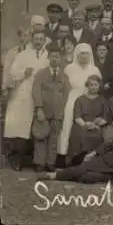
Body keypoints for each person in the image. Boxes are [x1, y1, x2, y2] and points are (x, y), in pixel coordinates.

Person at [4, 31, 49, 171]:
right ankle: (16, 159)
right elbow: (12, 73)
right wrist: (24, 73)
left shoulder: (47, 56)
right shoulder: (23, 55)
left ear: (44, 41)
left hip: (40, 95)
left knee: (37, 128)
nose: (38, 42)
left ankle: (37, 160)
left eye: (41, 39)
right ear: (32, 39)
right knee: (20, 128)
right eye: (36, 39)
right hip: (23, 94)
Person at [58, 43, 102, 165]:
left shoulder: (94, 69)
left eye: (87, 53)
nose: (84, 56)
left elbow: (97, 86)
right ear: (77, 54)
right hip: (71, 98)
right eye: (81, 53)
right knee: (67, 125)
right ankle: (62, 155)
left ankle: (83, 156)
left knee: (85, 127)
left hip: (88, 99)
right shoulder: (69, 68)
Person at [31, 43, 71, 172]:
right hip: (43, 110)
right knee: (41, 137)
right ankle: (40, 163)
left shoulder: (64, 77)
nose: (55, 59)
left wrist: (62, 110)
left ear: (61, 59)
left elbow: (66, 94)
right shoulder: (41, 74)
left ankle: (50, 162)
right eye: (52, 56)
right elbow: (36, 91)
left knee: (54, 138)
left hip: (57, 112)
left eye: (57, 57)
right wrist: (39, 108)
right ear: (48, 58)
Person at [66, 75, 109, 166]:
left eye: (95, 85)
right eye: (91, 85)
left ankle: (93, 162)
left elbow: (105, 118)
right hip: (82, 124)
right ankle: (77, 162)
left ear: (99, 86)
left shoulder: (103, 100)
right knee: (78, 134)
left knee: (99, 136)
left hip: (97, 126)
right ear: (87, 86)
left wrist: (96, 124)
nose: (93, 87)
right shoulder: (80, 99)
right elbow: (77, 116)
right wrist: (85, 124)